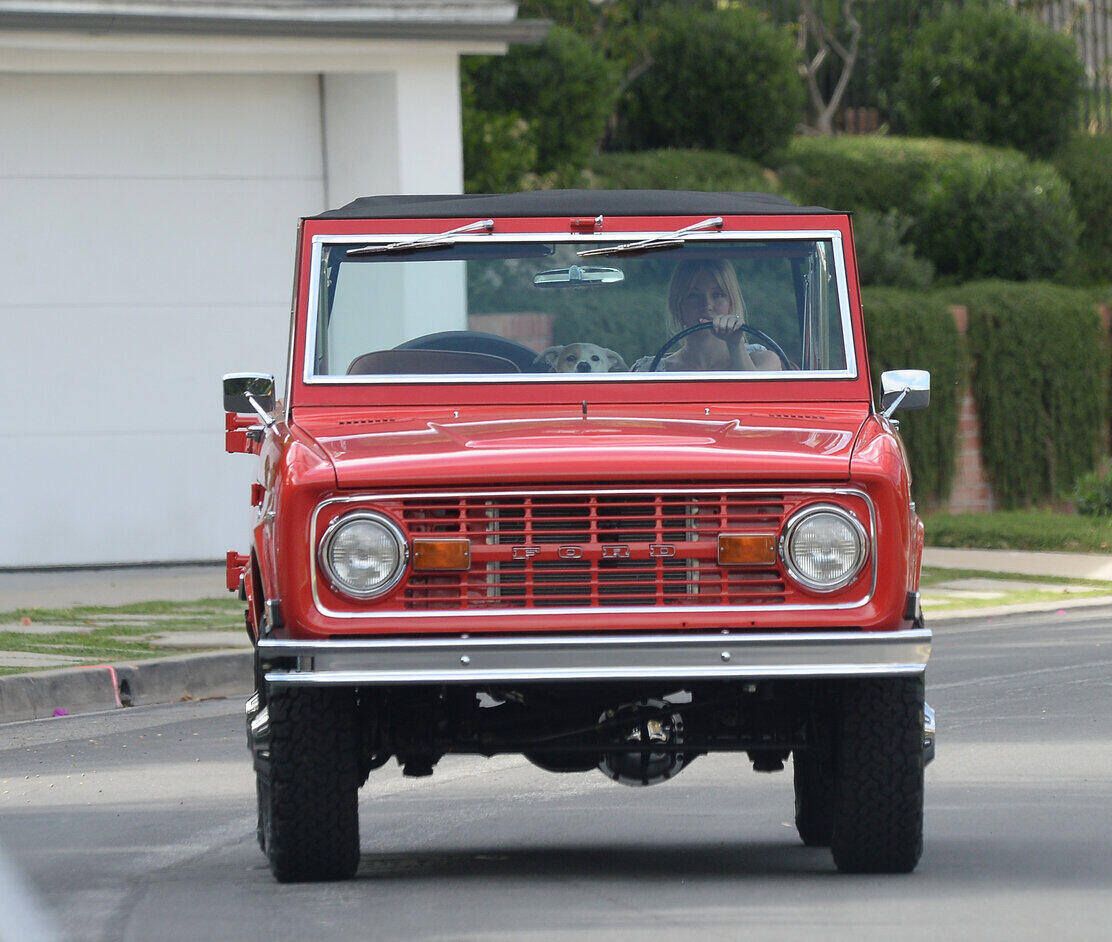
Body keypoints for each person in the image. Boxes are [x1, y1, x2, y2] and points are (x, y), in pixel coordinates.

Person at [632, 259, 781, 372]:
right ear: (678, 306)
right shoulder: (650, 371)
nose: (707, 305)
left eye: (717, 295)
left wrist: (735, 345)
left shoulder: (763, 361)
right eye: (694, 296)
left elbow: (754, 402)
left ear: (731, 303)